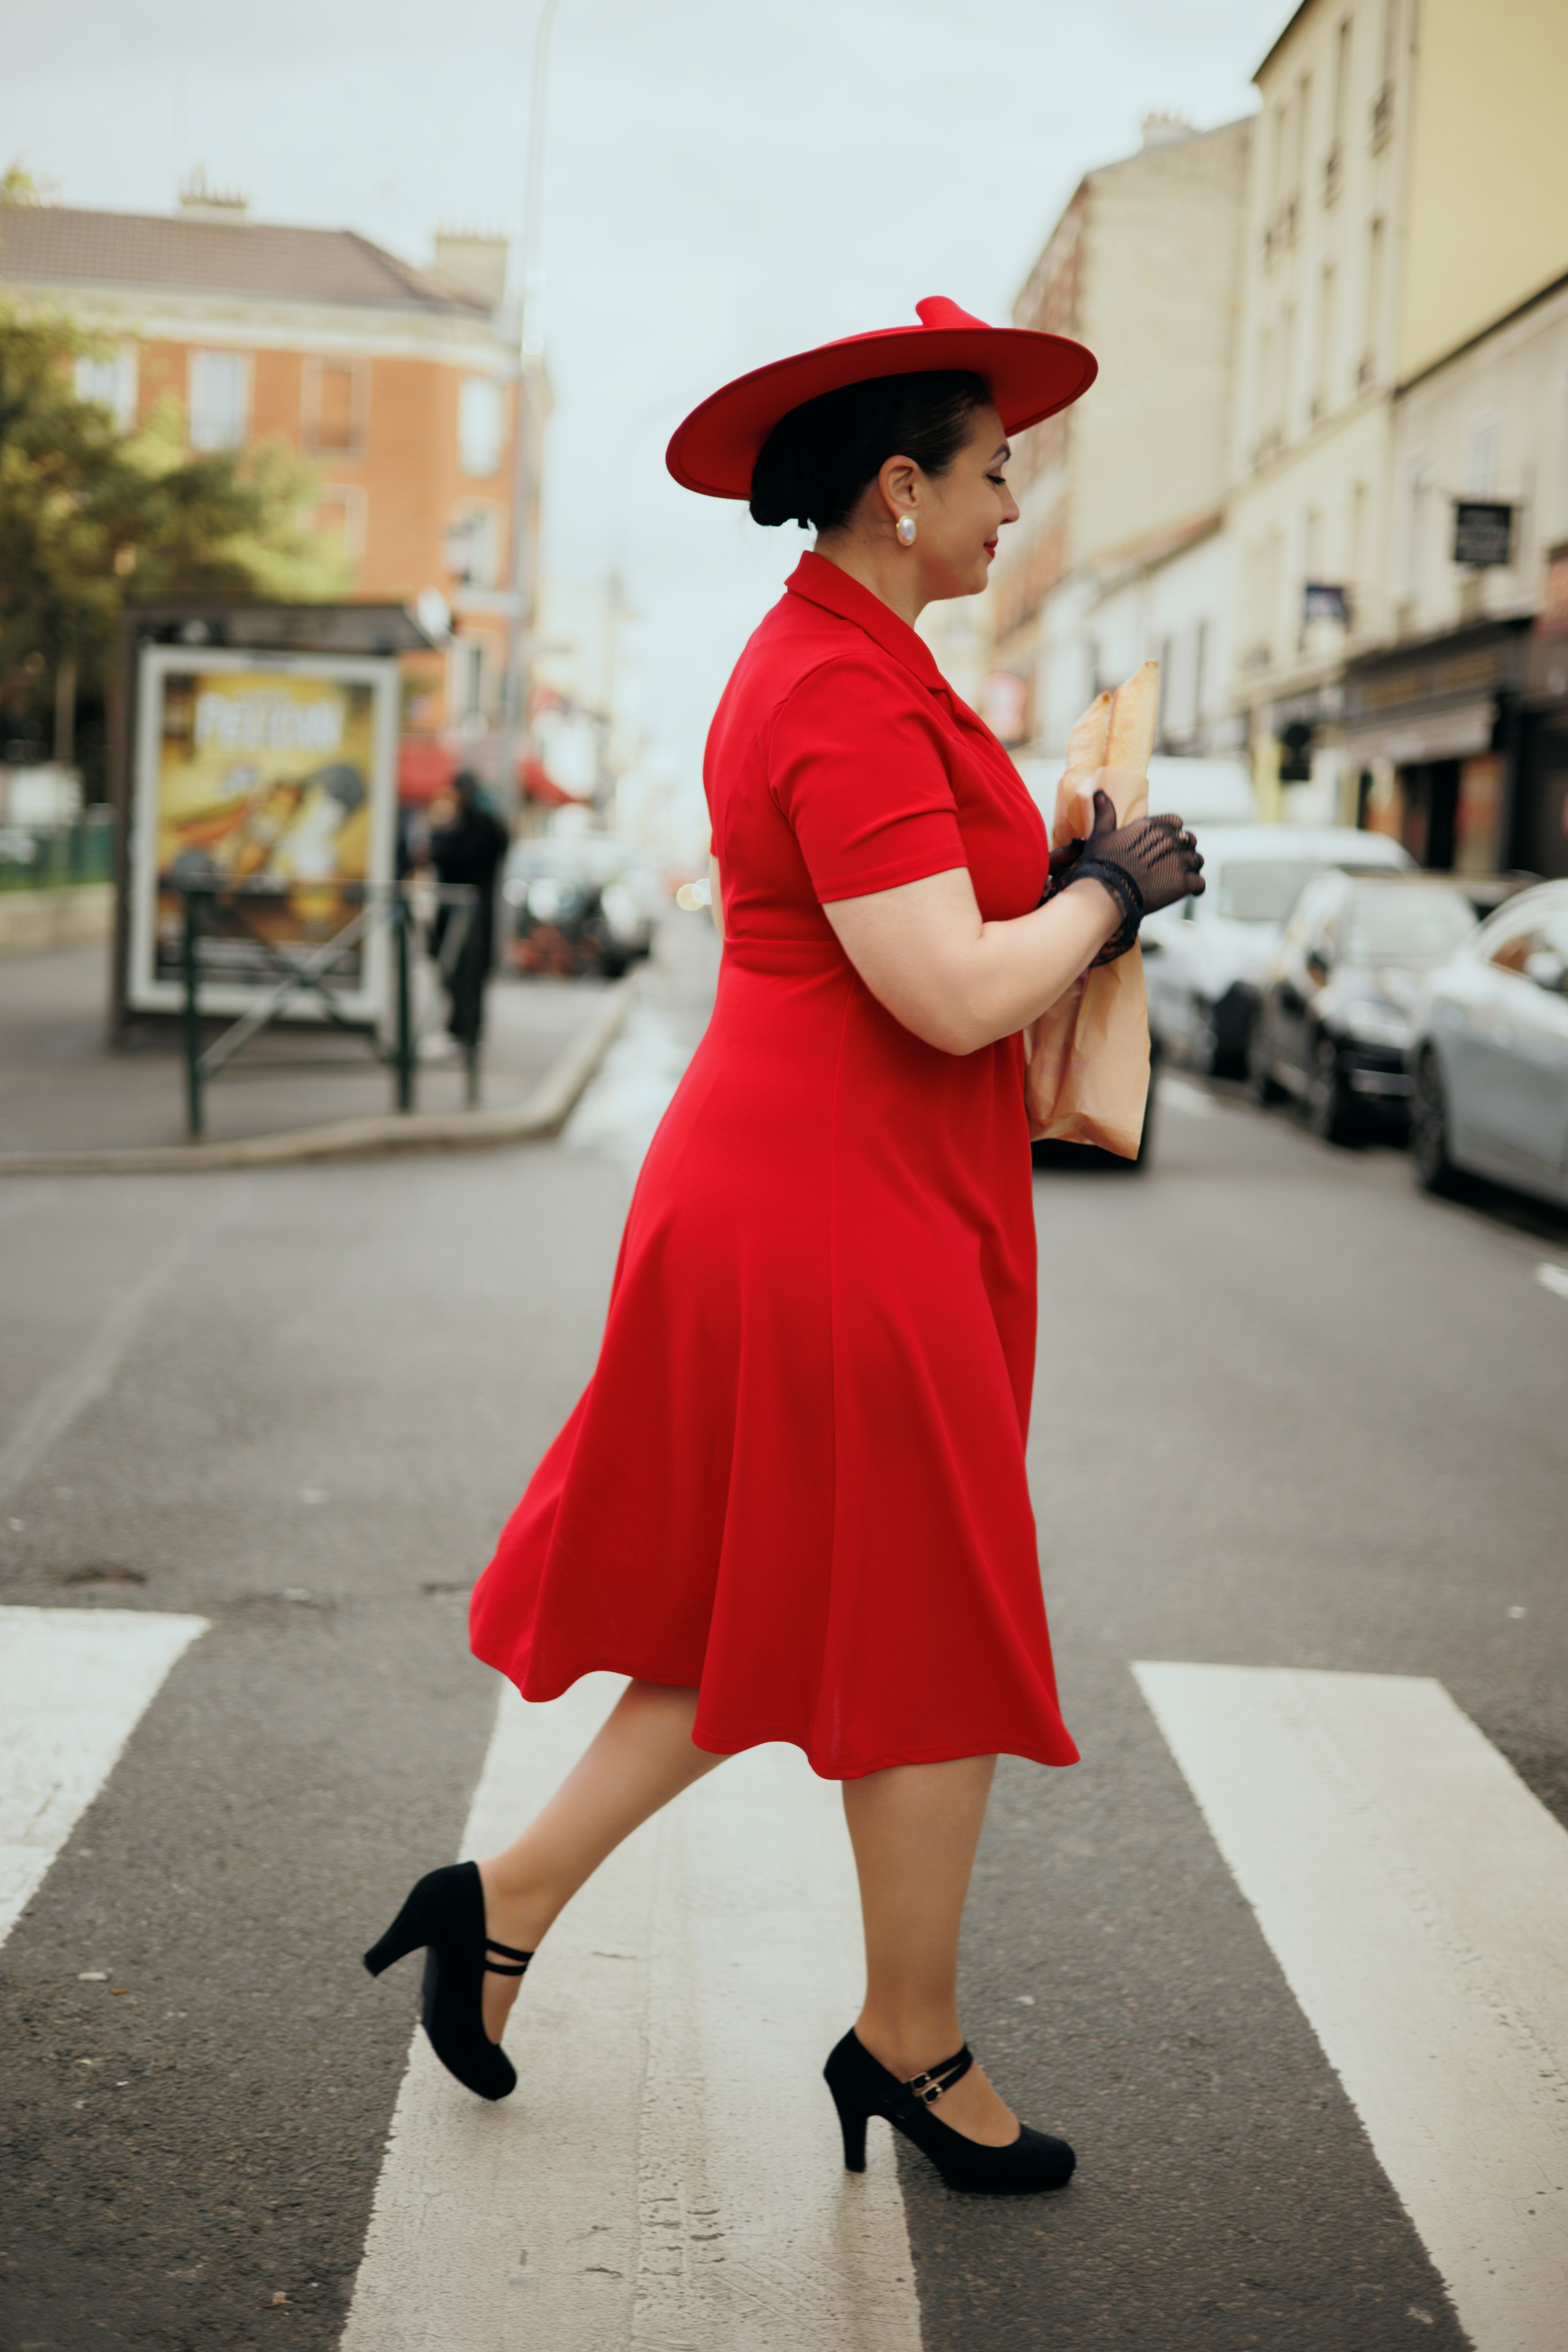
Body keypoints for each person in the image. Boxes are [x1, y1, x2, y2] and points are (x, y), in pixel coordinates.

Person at [366, 298, 1203, 2196]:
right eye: (996, 469)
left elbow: (931, 922)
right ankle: (909, 2039)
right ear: (900, 488)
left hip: (847, 1186)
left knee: (772, 1605)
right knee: (933, 1617)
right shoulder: (833, 686)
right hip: (834, 1204)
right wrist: (1102, 892)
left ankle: (493, 1902)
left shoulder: (870, 664)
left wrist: (1067, 854)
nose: (1016, 500)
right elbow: (939, 987)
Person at [426, 771, 509, 1051]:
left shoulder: (479, 827)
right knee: (456, 970)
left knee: (467, 970)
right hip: (460, 910)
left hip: (469, 913)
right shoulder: (474, 825)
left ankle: (467, 1029)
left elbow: (452, 855)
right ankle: (462, 1027)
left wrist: (438, 837)